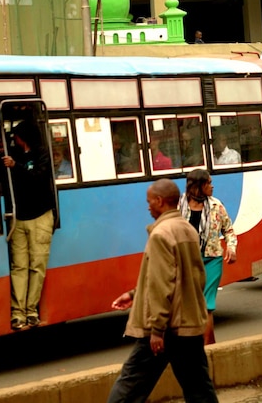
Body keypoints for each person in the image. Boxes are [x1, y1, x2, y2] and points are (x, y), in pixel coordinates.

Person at [107, 179, 218, 403]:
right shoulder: (187, 228)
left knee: (130, 385)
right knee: (199, 389)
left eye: (149, 202)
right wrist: (133, 294)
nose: (147, 206)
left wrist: (157, 329)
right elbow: (191, 277)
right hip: (189, 323)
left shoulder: (160, 235)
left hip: (166, 328)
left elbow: (161, 283)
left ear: (159, 201)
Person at [1, 120, 56, 330]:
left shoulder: (41, 154)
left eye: (16, 135)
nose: (14, 139)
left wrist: (17, 167)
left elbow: (39, 178)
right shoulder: (12, 154)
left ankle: (31, 310)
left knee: (36, 266)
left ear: (24, 137)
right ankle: (18, 313)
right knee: (19, 267)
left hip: (40, 215)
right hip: (19, 217)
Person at [178, 169, 237, 345]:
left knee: (206, 305)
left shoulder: (216, 206)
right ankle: (205, 346)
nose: (212, 186)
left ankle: (208, 347)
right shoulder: (179, 205)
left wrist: (231, 248)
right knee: (188, 306)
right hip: (187, 261)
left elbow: (228, 230)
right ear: (198, 186)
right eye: (208, 183)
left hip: (211, 259)